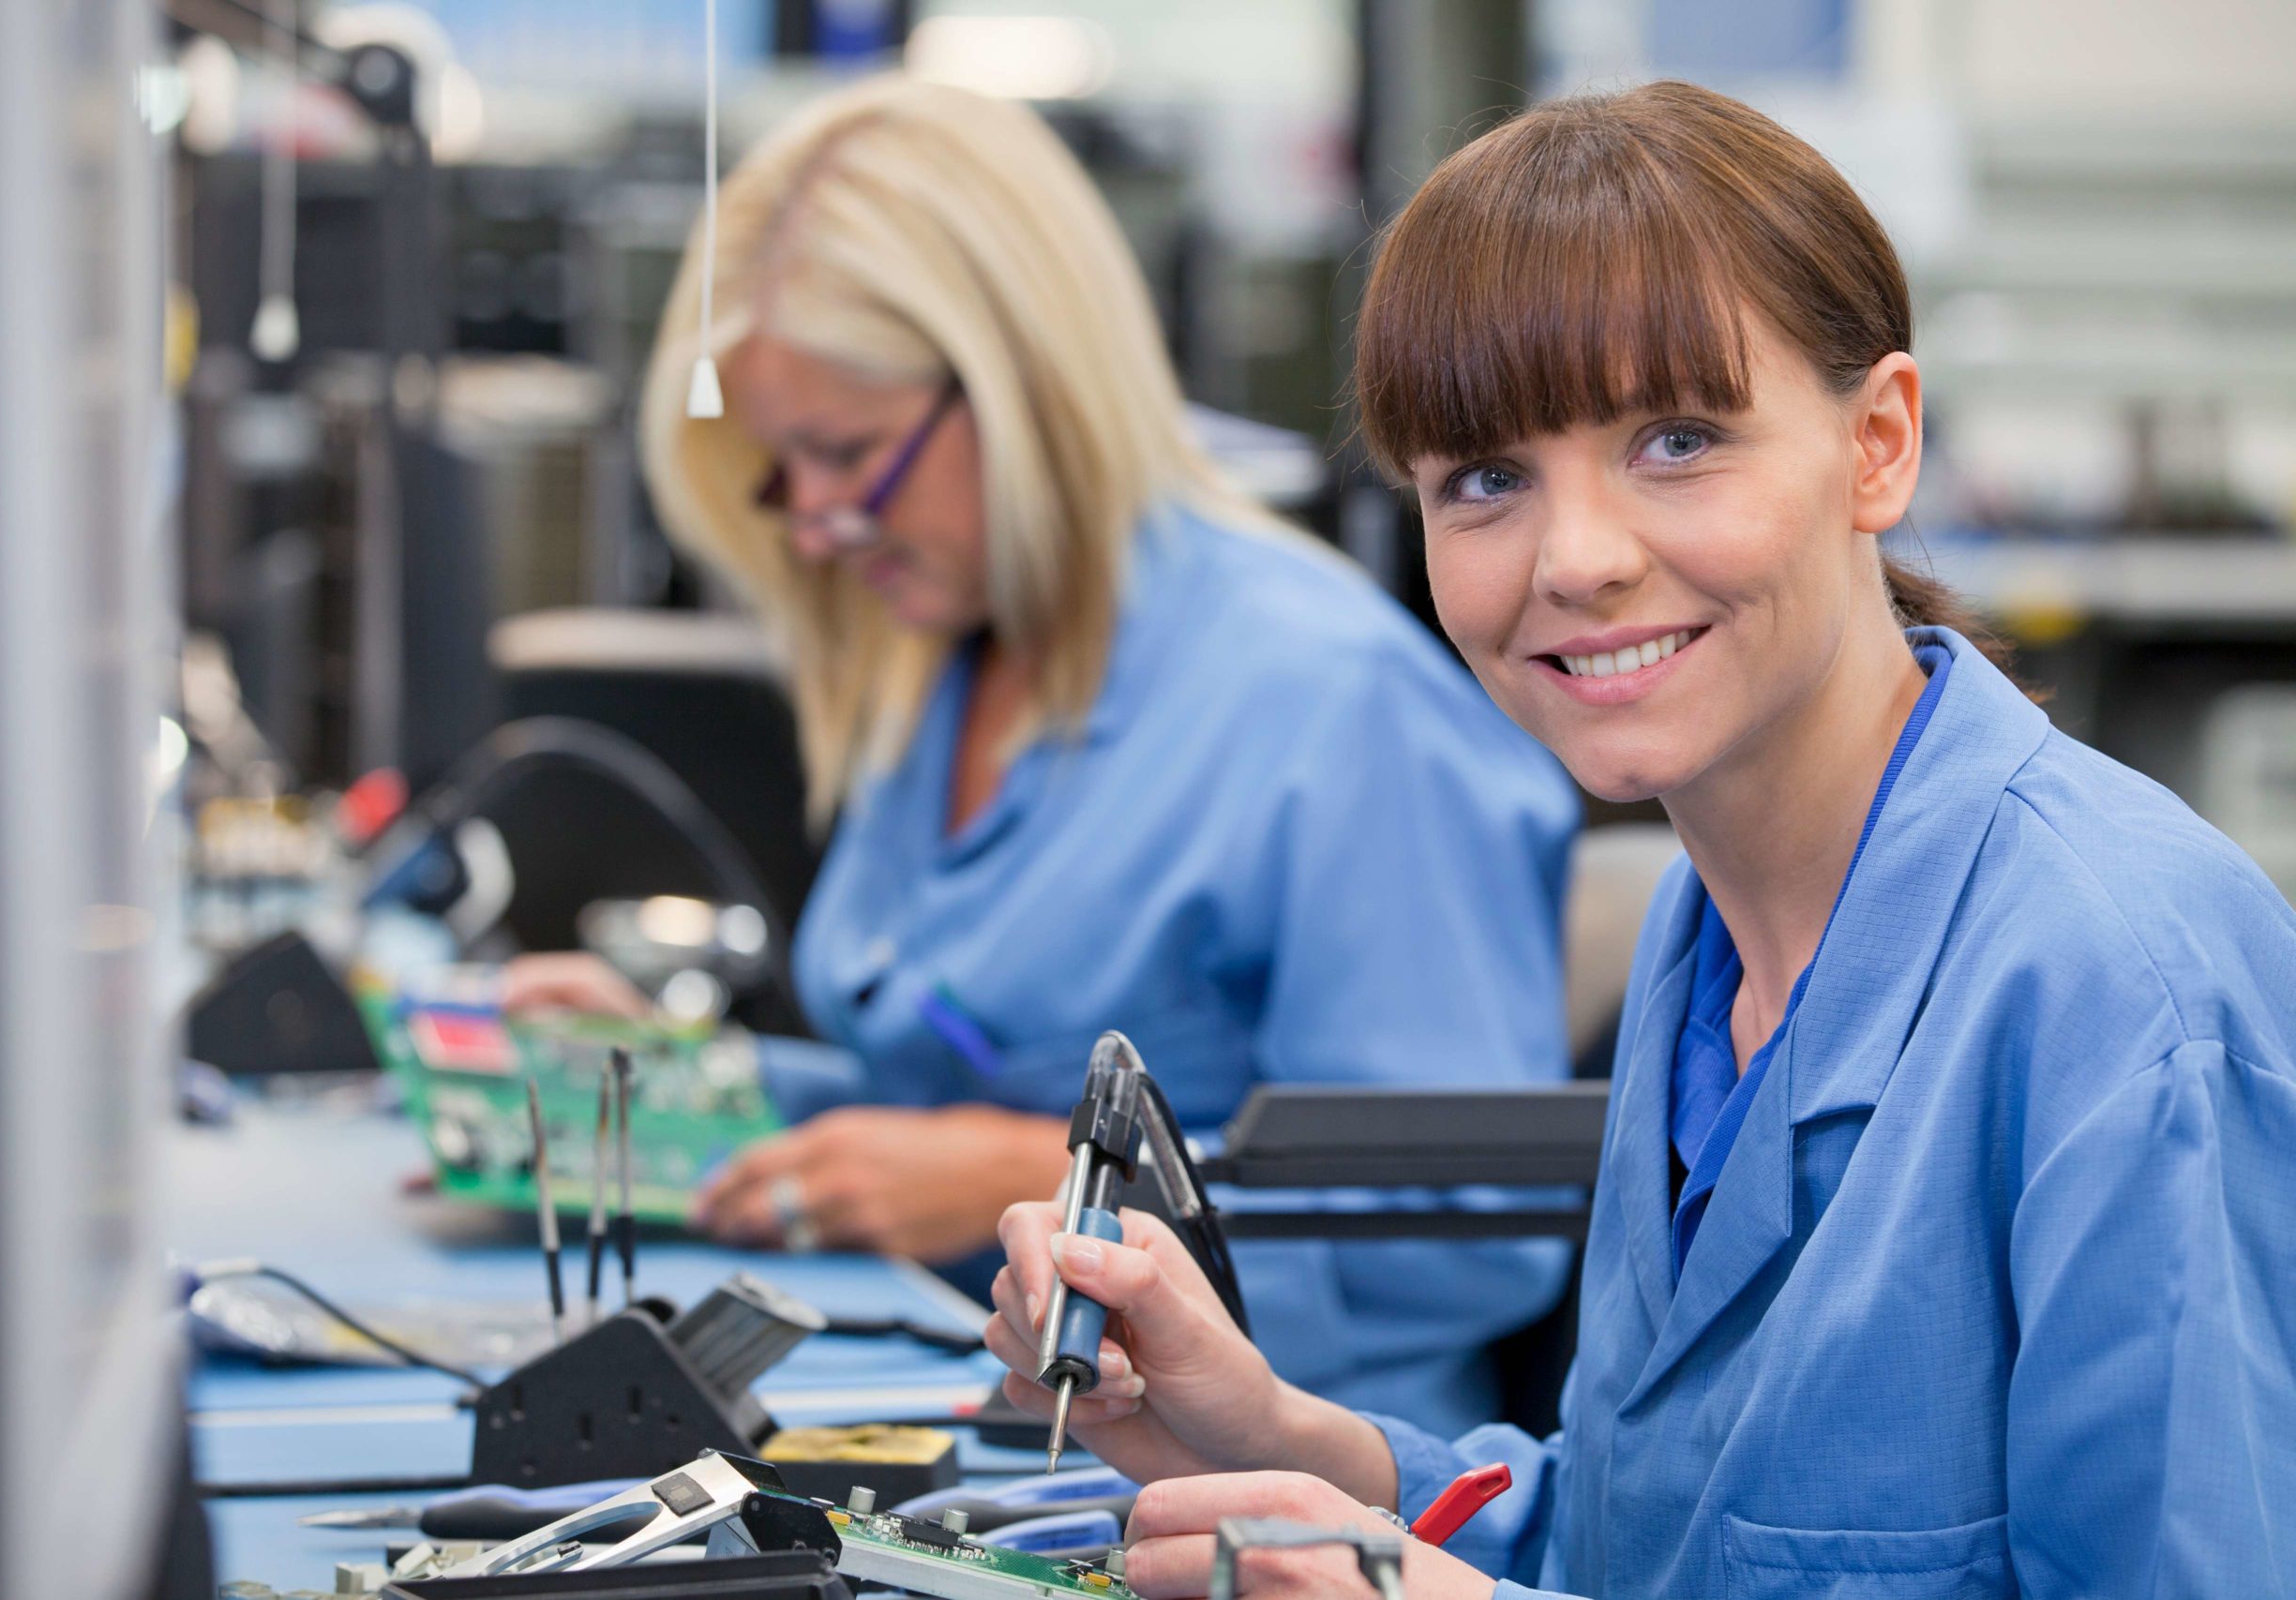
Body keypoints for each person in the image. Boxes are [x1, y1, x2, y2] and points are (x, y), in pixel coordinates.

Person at [978, 81, 2296, 1600]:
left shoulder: (2126, 992)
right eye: (1485, 479)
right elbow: (1660, 1541)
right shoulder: (1710, 939)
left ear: (1879, 443)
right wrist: (1274, 1431)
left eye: (1677, 441)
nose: (1579, 559)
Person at [511, 74, 1581, 1435]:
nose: (824, 528)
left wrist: (1045, 1186)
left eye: (850, 456)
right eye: (789, 478)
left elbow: (1466, 1236)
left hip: (1271, 1489)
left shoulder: (1333, 708)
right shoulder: (951, 658)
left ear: (1022, 385)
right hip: (984, 1415)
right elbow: (925, 1101)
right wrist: (680, 1094)